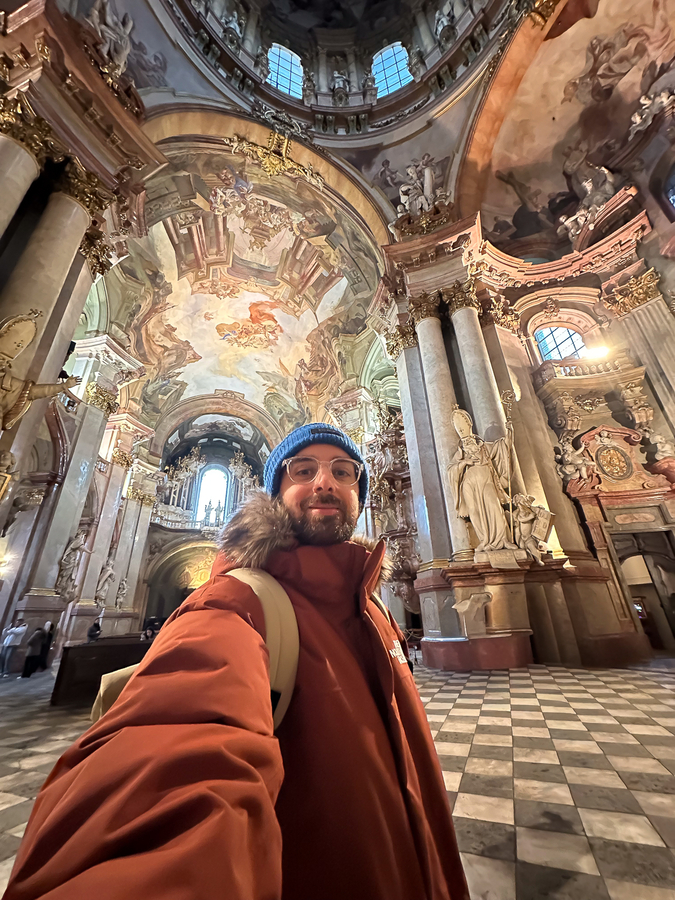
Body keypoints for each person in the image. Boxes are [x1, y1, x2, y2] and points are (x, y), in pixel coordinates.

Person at [4, 423, 469, 900]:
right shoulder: (233, 603)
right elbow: (177, 751)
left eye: (344, 471)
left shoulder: (373, 607)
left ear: (359, 493)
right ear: (272, 495)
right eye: (302, 470)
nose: (324, 482)